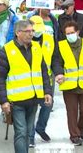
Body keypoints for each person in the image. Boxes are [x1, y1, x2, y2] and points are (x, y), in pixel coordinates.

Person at [0, 20, 53, 152]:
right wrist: (3, 101)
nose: (31, 34)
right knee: (21, 132)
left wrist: (47, 92)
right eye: (28, 31)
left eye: (32, 31)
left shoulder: (37, 47)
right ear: (18, 33)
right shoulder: (8, 50)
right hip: (16, 101)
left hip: (33, 99)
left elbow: (44, 71)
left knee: (27, 132)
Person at [53, 21, 83, 146]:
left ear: (77, 32)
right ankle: (74, 135)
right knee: (72, 111)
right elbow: (56, 62)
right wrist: (59, 73)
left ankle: (80, 128)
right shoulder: (61, 46)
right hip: (69, 84)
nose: (70, 35)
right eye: (67, 33)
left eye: (72, 32)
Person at [28, 16, 58, 146]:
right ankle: (30, 136)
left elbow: (55, 57)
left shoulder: (49, 39)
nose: (37, 32)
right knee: (30, 108)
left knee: (48, 104)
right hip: (29, 79)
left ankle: (40, 127)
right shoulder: (24, 42)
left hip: (47, 78)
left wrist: (58, 72)